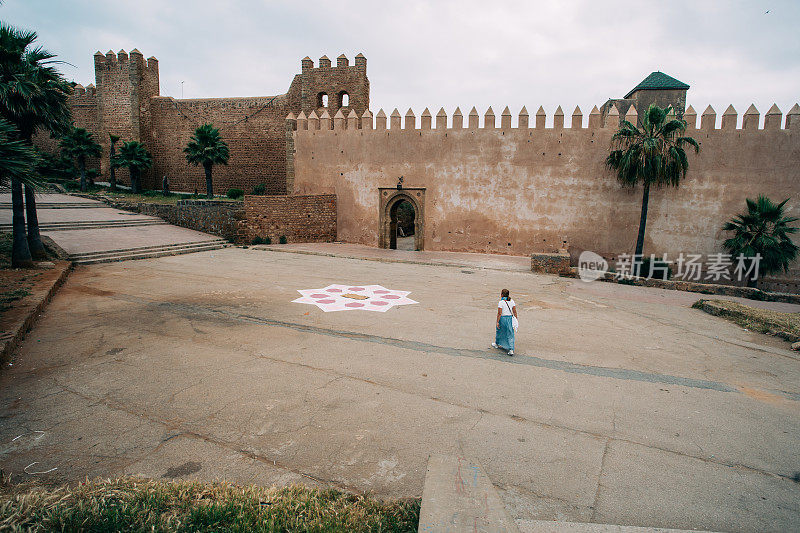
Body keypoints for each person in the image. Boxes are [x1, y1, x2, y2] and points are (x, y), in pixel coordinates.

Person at [492, 288, 517, 356]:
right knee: (510, 333)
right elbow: (514, 311)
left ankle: (497, 344)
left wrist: (497, 322)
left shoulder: (501, 302)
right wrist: (516, 319)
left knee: (500, 331)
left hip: (503, 319)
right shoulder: (512, 301)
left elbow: (499, 313)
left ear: (502, 294)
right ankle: (511, 349)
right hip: (510, 319)